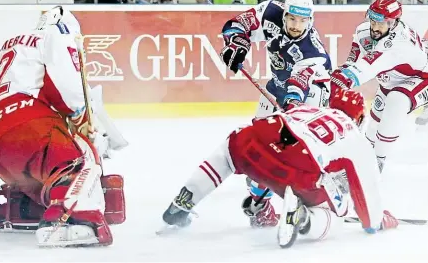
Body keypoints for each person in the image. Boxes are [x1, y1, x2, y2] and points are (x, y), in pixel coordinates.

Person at [161, 89, 398, 248]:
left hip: (256, 141)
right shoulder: (356, 138)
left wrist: (258, 197)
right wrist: (378, 221)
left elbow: (275, 150)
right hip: (298, 172)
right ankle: (304, 218)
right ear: (359, 119)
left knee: (229, 152)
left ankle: (185, 199)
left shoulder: (306, 109)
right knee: (338, 213)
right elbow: (367, 198)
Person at [0, 6, 128, 247]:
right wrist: (81, 118)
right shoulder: (59, 34)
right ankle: (64, 218)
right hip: (32, 133)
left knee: (43, 180)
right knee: (79, 159)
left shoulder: (12, 44)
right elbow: (65, 84)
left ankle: (14, 208)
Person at [218, 0, 332, 227]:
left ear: (310, 20)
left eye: (302, 21)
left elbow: (298, 89)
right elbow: (237, 24)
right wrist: (236, 45)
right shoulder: (270, 12)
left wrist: (289, 115)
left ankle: (312, 199)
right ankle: (261, 205)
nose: (296, 25)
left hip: (311, 95)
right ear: (285, 14)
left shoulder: (314, 52)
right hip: (276, 89)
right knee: (257, 149)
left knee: (296, 151)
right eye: (292, 18)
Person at [330, 0, 428, 172]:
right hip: (391, 79)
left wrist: (343, 79)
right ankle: (364, 160)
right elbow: (353, 60)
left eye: (381, 23)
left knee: (397, 100)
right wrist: (340, 73)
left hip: (421, 79)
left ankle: (377, 164)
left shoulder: (399, 42)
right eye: (373, 21)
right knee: (373, 126)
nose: (374, 28)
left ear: (394, 23)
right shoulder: (362, 31)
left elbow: (368, 66)